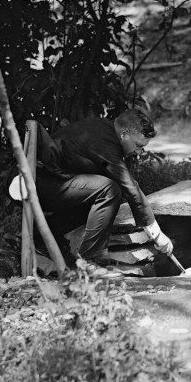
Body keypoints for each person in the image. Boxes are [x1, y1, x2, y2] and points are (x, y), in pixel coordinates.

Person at [34, 109, 173, 278]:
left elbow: (127, 183)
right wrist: (157, 234)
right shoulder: (104, 142)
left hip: (50, 180)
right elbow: (129, 187)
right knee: (110, 190)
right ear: (124, 134)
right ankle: (90, 262)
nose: (138, 152)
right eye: (138, 146)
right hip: (38, 183)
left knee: (108, 191)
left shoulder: (104, 130)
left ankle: (42, 235)